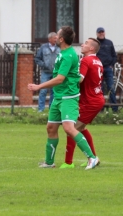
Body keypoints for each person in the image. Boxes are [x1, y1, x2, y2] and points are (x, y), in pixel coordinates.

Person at [28, 26, 99, 170]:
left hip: (68, 97)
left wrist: (38, 86)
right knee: (51, 127)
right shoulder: (63, 52)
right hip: (59, 97)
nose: (55, 36)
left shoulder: (69, 55)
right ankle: (49, 162)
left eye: (57, 34)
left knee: (68, 128)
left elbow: (60, 79)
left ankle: (92, 158)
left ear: (61, 39)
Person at [60, 38, 104, 169]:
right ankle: (94, 157)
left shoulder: (86, 60)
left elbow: (80, 79)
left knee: (72, 129)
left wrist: (64, 78)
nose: (82, 44)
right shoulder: (98, 60)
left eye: (85, 43)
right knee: (81, 128)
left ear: (91, 48)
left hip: (90, 101)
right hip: (96, 99)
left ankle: (69, 162)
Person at [34, 32, 60, 112]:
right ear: (50, 39)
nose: (56, 40)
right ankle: (40, 109)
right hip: (45, 72)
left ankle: (51, 108)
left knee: (54, 91)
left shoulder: (59, 47)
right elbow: (37, 59)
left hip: (56, 72)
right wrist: (44, 65)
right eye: (54, 38)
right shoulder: (43, 47)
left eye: (57, 38)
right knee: (43, 90)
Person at [96, 27, 117, 112]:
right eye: (99, 32)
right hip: (98, 69)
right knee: (100, 90)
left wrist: (111, 64)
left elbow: (114, 55)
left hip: (108, 68)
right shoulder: (95, 43)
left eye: (102, 32)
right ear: (97, 33)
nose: (101, 33)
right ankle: (101, 109)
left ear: (104, 33)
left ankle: (115, 109)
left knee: (111, 88)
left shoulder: (109, 42)